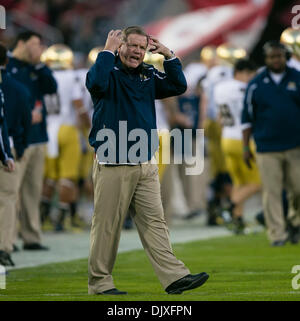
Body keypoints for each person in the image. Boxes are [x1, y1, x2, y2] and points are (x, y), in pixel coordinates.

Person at [86, 26, 209, 295]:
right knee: (107, 225)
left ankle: (175, 277)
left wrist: (168, 55)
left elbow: (179, 85)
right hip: (113, 159)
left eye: (142, 48)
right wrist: (106, 51)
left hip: (145, 160)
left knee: (155, 222)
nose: (138, 52)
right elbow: (95, 83)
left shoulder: (147, 73)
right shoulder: (107, 70)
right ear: (121, 46)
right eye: (132, 46)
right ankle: (100, 283)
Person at [242, 41, 300, 246]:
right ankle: (277, 234)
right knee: (272, 191)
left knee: (298, 189)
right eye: (272, 57)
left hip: (295, 145)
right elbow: (247, 117)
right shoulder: (256, 83)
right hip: (266, 146)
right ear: (266, 59)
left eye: (279, 56)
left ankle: (295, 222)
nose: (276, 60)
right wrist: (245, 147)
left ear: (286, 57)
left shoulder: (297, 78)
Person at [6, 31, 57, 250]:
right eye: (36, 44)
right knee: (11, 190)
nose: (39, 49)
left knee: (32, 190)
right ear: (21, 43)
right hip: (18, 138)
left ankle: (31, 236)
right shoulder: (7, 65)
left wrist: (40, 65)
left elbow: (51, 88)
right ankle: (8, 237)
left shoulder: (35, 68)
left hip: (38, 137)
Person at [40, 44, 89, 232]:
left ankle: (43, 217)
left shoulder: (43, 76)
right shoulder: (72, 77)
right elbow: (79, 105)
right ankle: (60, 220)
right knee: (67, 178)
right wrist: (88, 126)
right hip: (67, 129)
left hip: (48, 130)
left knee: (50, 178)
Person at [214, 59, 261, 233]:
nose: (251, 78)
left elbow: (219, 117)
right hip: (242, 140)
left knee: (239, 183)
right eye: (250, 74)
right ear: (242, 72)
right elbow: (251, 114)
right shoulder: (243, 89)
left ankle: (237, 220)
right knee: (257, 183)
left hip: (226, 138)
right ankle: (228, 207)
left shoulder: (220, 88)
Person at [0, 43, 31, 265]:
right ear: (6, 61)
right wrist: (14, 151)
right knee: (7, 200)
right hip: (6, 150)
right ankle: (3, 248)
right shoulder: (18, 89)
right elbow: (23, 123)